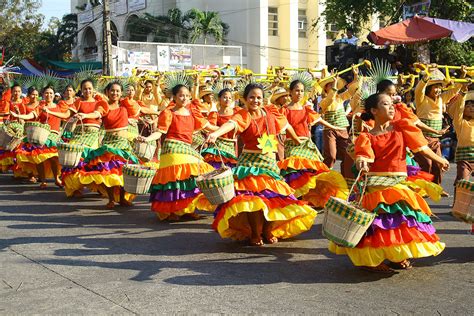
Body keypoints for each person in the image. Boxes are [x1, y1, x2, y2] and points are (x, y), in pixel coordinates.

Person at [329, 93, 448, 273]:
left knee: (400, 221)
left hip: (397, 183)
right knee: (378, 225)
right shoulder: (366, 136)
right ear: (374, 111)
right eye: (386, 104)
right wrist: (361, 161)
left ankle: (398, 254)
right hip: (375, 185)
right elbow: (364, 154)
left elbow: (421, 147)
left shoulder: (402, 128)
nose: (392, 107)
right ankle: (375, 258)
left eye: (392, 103)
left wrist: (439, 160)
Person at [206, 83, 317, 246]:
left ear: (263, 99)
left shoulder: (271, 111)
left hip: (270, 162)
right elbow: (231, 124)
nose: (255, 100)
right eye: (251, 97)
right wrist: (215, 133)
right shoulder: (243, 115)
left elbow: (286, 126)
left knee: (272, 198)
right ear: (244, 99)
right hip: (250, 163)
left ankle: (267, 230)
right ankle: (255, 233)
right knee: (253, 201)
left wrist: (296, 140)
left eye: (259, 97)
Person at [141, 83, 218, 221]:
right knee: (177, 179)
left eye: (187, 96)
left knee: (197, 174)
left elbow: (209, 127)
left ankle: (188, 209)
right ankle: (173, 211)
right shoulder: (168, 112)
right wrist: (147, 139)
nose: (185, 98)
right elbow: (160, 132)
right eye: (181, 95)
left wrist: (225, 129)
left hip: (187, 148)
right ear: (174, 97)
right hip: (172, 148)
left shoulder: (193, 112)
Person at [68, 82, 140, 208]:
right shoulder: (104, 106)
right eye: (112, 90)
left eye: (118, 91)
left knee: (123, 171)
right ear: (107, 92)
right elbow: (97, 114)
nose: (115, 93)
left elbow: (140, 110)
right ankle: (111, 199)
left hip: (123, 144)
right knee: (109, 172)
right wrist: (85, 115)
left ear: (121, 93)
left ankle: (122, 198)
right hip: (109, 144)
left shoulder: (125, 105)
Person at [278, 80, 348, 208]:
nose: (299, 93)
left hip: (307, 145)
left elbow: (320, 120)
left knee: (313, 172)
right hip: (292, 145)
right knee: (296, 172)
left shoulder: (306, 109)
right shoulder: (284, 110)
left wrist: (334, 126)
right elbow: (282, 127)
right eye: (297, 90)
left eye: (301, 91)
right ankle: (296, 199)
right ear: (290, 92)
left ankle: (310, 199)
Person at [414, 69, 463, 187]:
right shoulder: (421, 99)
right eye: (435, 87)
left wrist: (463, 75)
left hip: (435, 138)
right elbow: (419, 89)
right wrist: (426, 76)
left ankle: (436, 188)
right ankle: (423, 187)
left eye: (439, 87)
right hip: (422, 138)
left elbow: (454, 90)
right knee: (427, 164)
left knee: (437, 164)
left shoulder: (441, 99)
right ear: (429, 89)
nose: (438, 90)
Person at [12, 86, 67, 189]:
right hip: (42, 135)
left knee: (54, 158)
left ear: (54, 95)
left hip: (54, 135)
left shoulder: (59, 106)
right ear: (43, 95)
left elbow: (65, 115)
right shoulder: (40, 107)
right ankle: (43, 180)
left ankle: (56, 179)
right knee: (39, 157)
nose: (49, 95)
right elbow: (31, 115)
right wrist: (19, 116)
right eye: (46, 93)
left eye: (51, 93)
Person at [318, 69, 358, 180]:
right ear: (325, 88)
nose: (332, 86)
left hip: (342, 129)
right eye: (329, 85)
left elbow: (352, 91)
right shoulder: (323, 101)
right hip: (329, 131)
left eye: (333, 84)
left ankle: (346, 179)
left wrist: (355, 76)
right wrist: (335, 85)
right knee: (331, 156)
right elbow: (330, 99)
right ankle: (325, 178)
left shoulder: (340, 98)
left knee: (348, 155)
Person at [203, 88, 239, 169]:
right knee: (216, 167)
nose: (228, 100)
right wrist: (225, 129)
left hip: (232, 146)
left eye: (230, 98)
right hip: (218, 145)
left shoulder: (236, 112)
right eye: (225, 97)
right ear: (219, 99)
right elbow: (211, 128)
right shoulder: (215, 114)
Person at [447, 88, 473, 184]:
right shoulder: (460, 122)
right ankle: (458, 199)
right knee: (462, 183)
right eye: (468, 106)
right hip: (464, 158)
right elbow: (459, 109)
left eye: (473, 106)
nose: (471, 108)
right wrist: (463, 94)